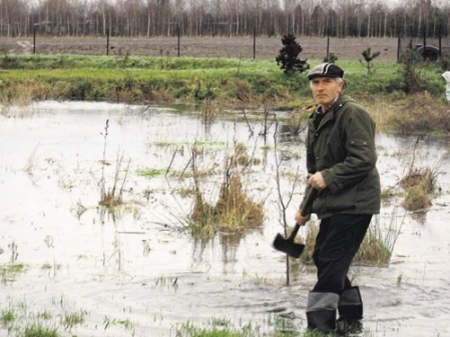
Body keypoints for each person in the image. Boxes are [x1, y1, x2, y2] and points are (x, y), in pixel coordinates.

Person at [295, 63, 381, 333]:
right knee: (324, 257)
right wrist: (304, 207)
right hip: (333, 202)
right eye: (316, 82)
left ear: (340, 85)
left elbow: (364, 159)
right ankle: (351, 316)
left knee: (331, 260)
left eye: (327, 82)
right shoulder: (317, 117)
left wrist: (329, 177)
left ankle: (319, 327)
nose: (320, 88)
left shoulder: (352, 114)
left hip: (355, 203)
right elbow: (315, 172)